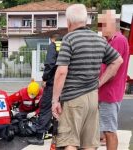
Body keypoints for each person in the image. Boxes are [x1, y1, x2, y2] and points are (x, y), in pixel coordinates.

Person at [51, 4, 123, 150]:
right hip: (93, 99)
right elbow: (117, 60)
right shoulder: (98, 40)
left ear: (69, 22)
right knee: (89, 144)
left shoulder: (69, 39)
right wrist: (99, 82)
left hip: (73, 99)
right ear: (85, 20)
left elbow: (61, 72)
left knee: (69, 142)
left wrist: (54, 100)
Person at [98, 10, 129, 150]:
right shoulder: (111, 40)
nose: (100, 28)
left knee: (110, 131)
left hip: (109, 93)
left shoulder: (118, 40)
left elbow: (112, 67)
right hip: (107, 92)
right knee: (106, 129)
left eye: (103, 25)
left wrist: (98, 83)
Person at [28, 34, 60, 145]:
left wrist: (45, 78)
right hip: (66, 83)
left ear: (52, 38)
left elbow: (50, 64)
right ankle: (58, 136)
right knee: (61, 110)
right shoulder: (68, 45)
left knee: (46, 108)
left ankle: (39, 136)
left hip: (52, 83)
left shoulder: (54, 45)